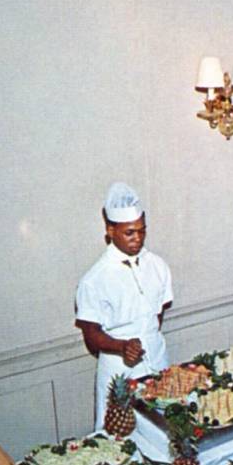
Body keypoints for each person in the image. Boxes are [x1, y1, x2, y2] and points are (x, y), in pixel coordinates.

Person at [75, 183, 173, 431]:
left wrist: (147, 339)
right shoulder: (94, 279)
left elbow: (156, 315)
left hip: (157, 360)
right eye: (130, 233)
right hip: (119, 369)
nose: (137, 238)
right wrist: (122, 346)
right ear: (110, 231)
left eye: (142, 231)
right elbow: (91, 336)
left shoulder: (158, 265)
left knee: (164, 433)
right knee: (119, 438)